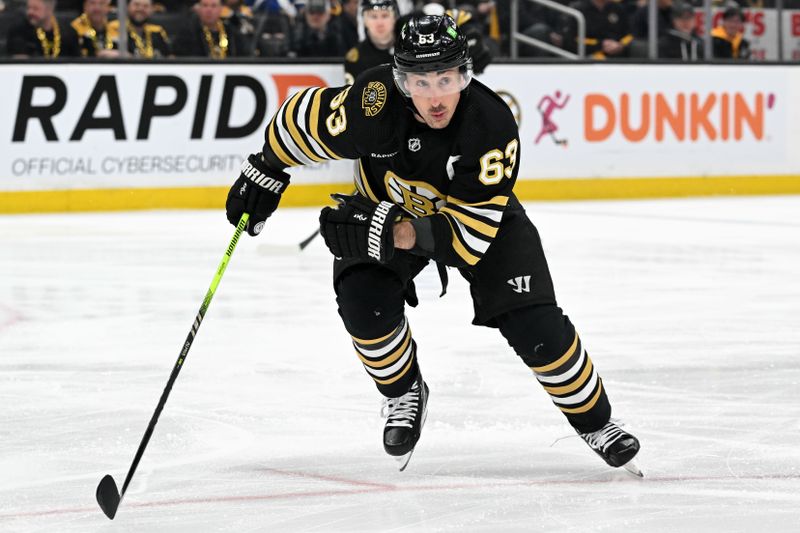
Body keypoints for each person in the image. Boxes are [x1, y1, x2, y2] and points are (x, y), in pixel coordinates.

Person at [224, 14, 642, 474]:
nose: (435, 95)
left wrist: (389, 229)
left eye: (447, 78)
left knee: (537, 329)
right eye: (420, 81)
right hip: (387, 211)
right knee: (363, 307)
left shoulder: (491, 126)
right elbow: (302, 121)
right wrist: (265, 168)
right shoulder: (373, 100)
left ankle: (597, 422)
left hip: (479, 221)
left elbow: (467, 240)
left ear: (465, 74)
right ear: (401, 80)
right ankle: (404, 393)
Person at [344, 0, 397, 85]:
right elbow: (354, 95)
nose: (380, 23)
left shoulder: (408, 50)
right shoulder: (355, 59)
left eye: (385, 16)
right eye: (373, 16)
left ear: (394, 18)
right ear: (365, 21)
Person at [7, 0, 82, 57]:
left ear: (49, 9)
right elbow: (19, 63)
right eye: (28, 8)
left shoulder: (68, 33)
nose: (30, 12)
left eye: (35, 9)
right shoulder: (19, 31)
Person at [174, 0, 245, 57]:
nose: (209, 10)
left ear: (221, 9)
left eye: (213, 6)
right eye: (205, 5)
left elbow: (244, 54)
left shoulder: (231, 31)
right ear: (199, 9)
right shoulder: (188, 32)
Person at [567, 0, 633, 59]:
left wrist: (621, 45)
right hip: (588, 56)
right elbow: (572, 39)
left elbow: (629, 34)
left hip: (617, 56)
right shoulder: (578, 9)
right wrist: (600, 44)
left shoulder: (618, 8)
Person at [107, 0, 173, 58]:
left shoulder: (157, 31)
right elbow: (106, 52)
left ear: (152, 10)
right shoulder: (116, 27)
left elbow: (170, 56)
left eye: (146, 6)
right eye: (136, 5)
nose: (140, 9)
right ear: (127, 7)